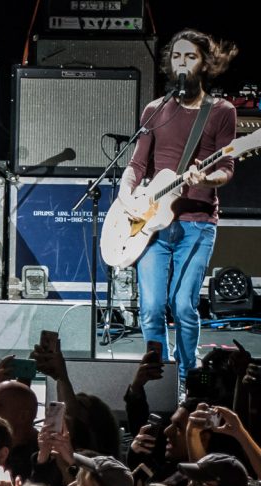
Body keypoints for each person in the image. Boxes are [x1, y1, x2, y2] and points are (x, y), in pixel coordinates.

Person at [118, 29, 238, 384]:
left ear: (205, 64)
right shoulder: (156, 110)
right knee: (153, 308)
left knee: (183, 305)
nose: (182, 63)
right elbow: (138, 166)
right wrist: (126, 193)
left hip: (197, 222)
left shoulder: (220, 112)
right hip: (153, 222)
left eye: (191, 56)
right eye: (177, 56)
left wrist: (204, 180)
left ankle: (189, 381)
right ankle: (161, 383)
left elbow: (226, 169)